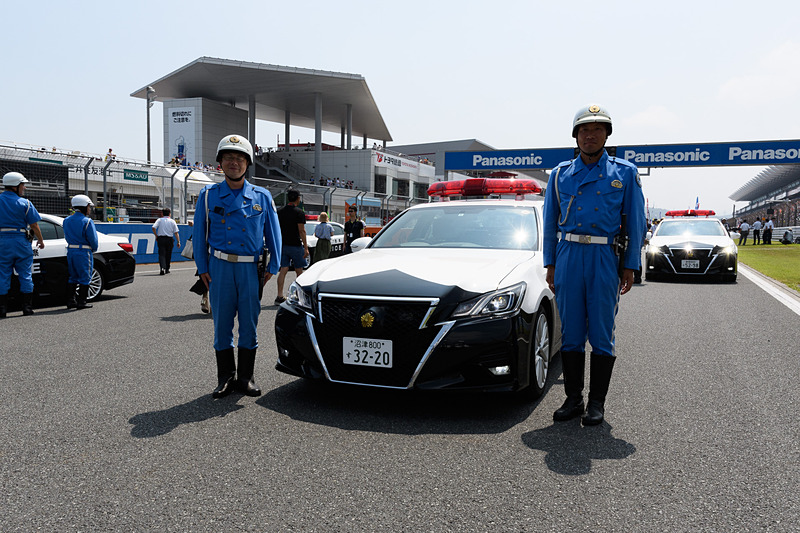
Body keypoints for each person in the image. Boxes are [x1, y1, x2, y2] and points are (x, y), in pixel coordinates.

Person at [543, 104, 646, 426]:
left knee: (602, 333)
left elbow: (637, 223)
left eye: (598, 130)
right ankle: (573, 399)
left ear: (606, 135)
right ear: (576, 136)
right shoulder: (560, 174)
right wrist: (550, 263)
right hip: (568, 255)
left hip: (604, 256)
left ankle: (597, 404)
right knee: (571, 332)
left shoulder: (624, 173)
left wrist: (629, 264)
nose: (591, 135)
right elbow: (549, 223)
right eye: (585, 130)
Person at [193, 134, 281, 398]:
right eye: (229, 158)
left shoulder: (262, 196)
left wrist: (273, 265)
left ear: (247, 163)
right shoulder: (208, 195)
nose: (234, 163)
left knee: (249, 324)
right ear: (220, 162)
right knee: (221, 324)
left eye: (240, 158)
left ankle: (246, 377)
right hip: (219, 267)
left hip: (250, 269)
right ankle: (224, 378)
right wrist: (202, 266)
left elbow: (273, 233)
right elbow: (199, 234)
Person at [0, 172, 45, 318]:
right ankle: (27, 308)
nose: (24, 188)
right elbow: (34, 225)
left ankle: (2, 310)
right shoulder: (25, 203)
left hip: (2, 241)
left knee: (2, 275)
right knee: (25, 274)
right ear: (16, 186)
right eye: (23, 184)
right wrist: (40, 240)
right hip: (21, 241)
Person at [64, 195, 99, 310]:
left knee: (72, 276)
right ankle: (81, 302)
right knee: (85, 276)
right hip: (83, 251)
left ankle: (70, 301)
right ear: (84, 206)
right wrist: (93, 249)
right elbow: (93, 240)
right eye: (89, 206)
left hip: (71, 250)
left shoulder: (67, 220)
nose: (90, 209)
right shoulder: (87, 221)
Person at [275, 190, 308, 305]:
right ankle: (300, 296)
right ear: (298, 198)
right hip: (295, 245)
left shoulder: (279, 211)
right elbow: (301, 230)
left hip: (282, 245)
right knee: (299, 270)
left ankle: (279, 296)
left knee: (283, 269)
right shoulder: (299, 212)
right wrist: (306, 247)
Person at [152, 207, 181, 275]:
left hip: (161, 238)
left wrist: (156, 235)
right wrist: (178, 241)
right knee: (168, 254)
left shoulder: (159, 220)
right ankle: (167, 268)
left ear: (162, 214)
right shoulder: (172, 221)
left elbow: (153, 227)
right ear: (169, 214)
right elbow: (176, 232)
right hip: (169, 239)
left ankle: (162, 267)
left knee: (161, 254)